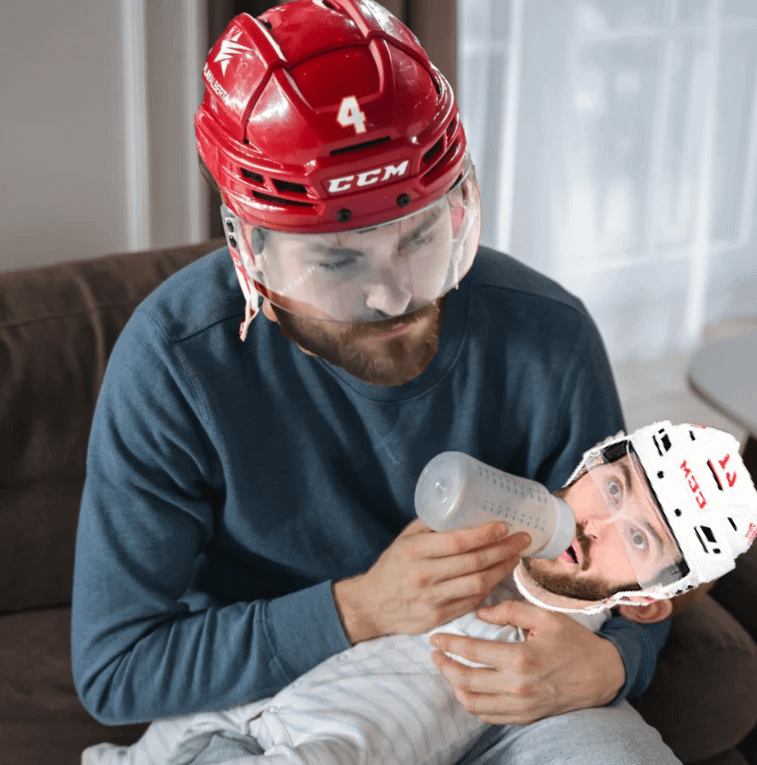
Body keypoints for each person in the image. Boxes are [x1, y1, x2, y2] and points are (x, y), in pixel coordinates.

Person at [72, 1, 686, 763]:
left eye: (419, 236)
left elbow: (642, 561)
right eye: (337, 262)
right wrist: (356, 609)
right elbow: (115, 667)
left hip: (505, 702)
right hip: (267, 709)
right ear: (249, 248)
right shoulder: (173, 364)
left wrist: (612, 661)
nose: (394, 296)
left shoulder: (547, 337)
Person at [81, 422, 757, 765]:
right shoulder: (495, 511)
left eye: (636, 541)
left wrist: (612, 662)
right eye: (611, 489)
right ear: (588, 464)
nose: (592, 523)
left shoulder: (548, 648)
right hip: (204, 723)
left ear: (643, 601)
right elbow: (115, 674)